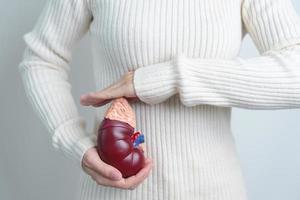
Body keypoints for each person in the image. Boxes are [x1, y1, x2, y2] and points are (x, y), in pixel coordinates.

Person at [18, 0, 300, 199]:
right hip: (111, 192)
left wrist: (169, 78)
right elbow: (42, 59)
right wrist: (74, 142)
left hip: (214, 190)